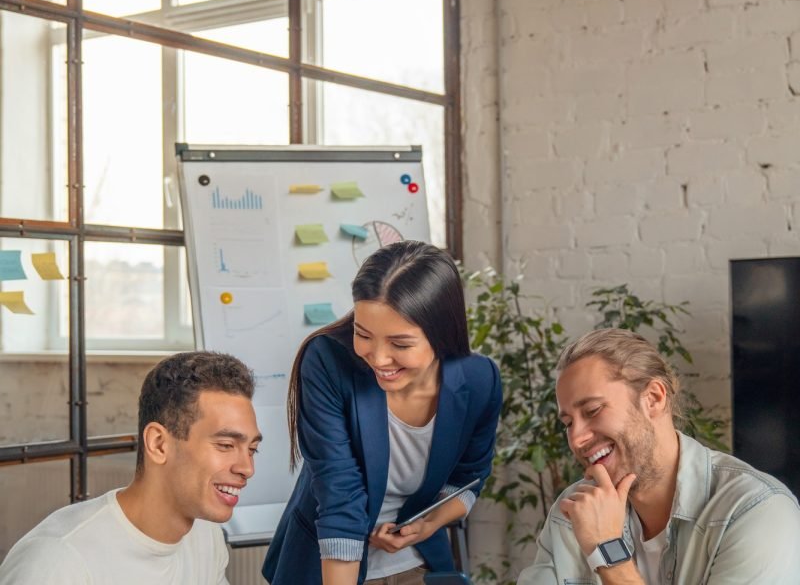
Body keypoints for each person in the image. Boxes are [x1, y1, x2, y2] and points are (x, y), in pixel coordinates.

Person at [262, 240, 503, 585]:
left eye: (400, 344)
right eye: (363, 334)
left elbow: (469, 477)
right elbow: (339, 494)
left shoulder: (480, 380)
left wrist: (426, 524)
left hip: (416, 563)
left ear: (442, 334)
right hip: (324, 566)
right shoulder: (327, 362)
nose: (377, 357)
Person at [517, 328, 800, 585]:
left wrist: (607, 549)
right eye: (567, 423)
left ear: (653, 398)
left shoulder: (756, 512)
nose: (576, 438)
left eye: (592, 411)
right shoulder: (572, 512)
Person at [0, 351, 262, 585]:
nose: (247, 468)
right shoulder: (58, 562)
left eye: (252, 449)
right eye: (226, 445)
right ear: (159, 444)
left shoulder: (206, 538)